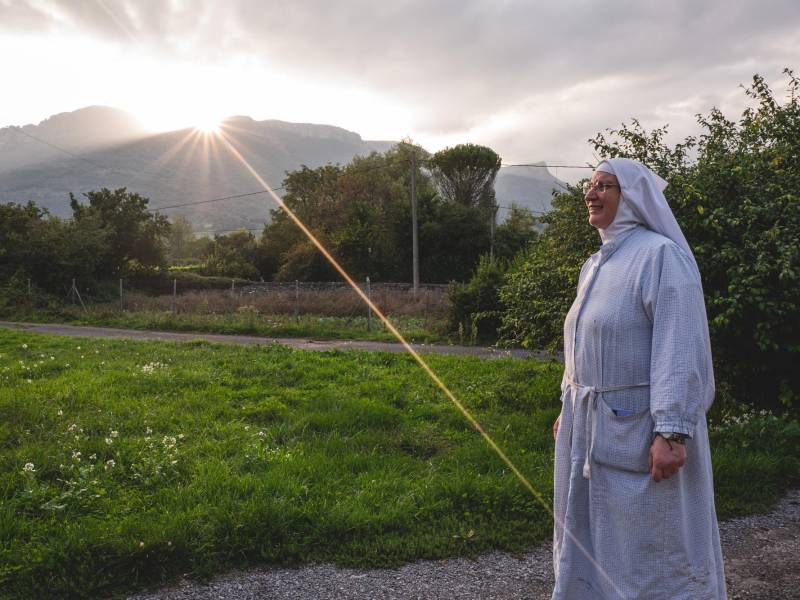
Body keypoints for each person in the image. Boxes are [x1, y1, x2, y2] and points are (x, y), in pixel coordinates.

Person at [550, 158, 726, 599]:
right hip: (590, 427)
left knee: (651, 549)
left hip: (643, 433)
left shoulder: (660, 256)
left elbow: (679, 345)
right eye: (589, 186)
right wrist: (566, 406)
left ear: (632, 198)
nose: (591, 194)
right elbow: (584, 342)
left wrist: (672, 430)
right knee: (594, 541)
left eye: (605, 186)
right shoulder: (595, 263)